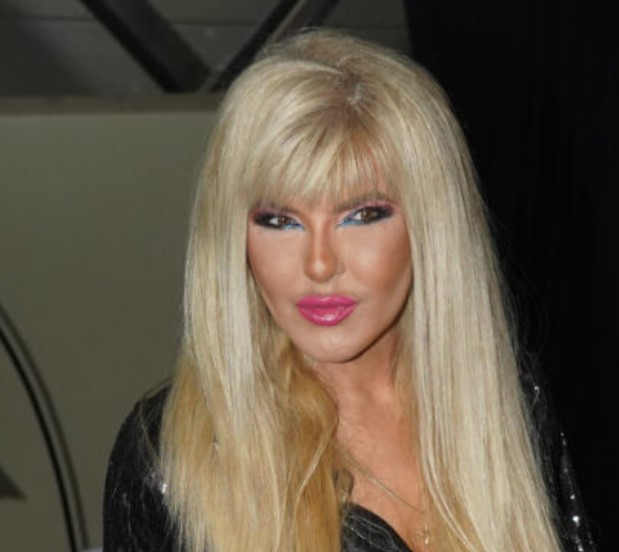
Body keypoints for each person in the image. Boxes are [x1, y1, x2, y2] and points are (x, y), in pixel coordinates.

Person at [103, 30, 595, 552]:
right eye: (280, 221)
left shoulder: (505, 402)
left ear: (432, 226)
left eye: (361, 215)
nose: (319, 264)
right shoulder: (169, 457)